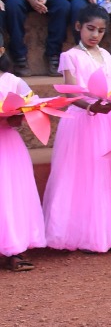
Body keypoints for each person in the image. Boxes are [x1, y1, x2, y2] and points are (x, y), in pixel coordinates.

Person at [43, 3, 111, 251]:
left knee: (109, 173)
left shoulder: (107, 55)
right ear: (78, 26)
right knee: (83, 173)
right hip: (83, 120)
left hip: (109, 120)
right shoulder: (70, 56)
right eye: (90, 29)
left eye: (100, 31)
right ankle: (83, 234)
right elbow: (70, 93)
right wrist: (90, 107)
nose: (95, 35)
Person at [0, 56, 49, 271]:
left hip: (7, 144)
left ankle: (15, 250)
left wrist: (16, 118)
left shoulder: (14, 81)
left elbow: (29, 108)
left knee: (10, 194)